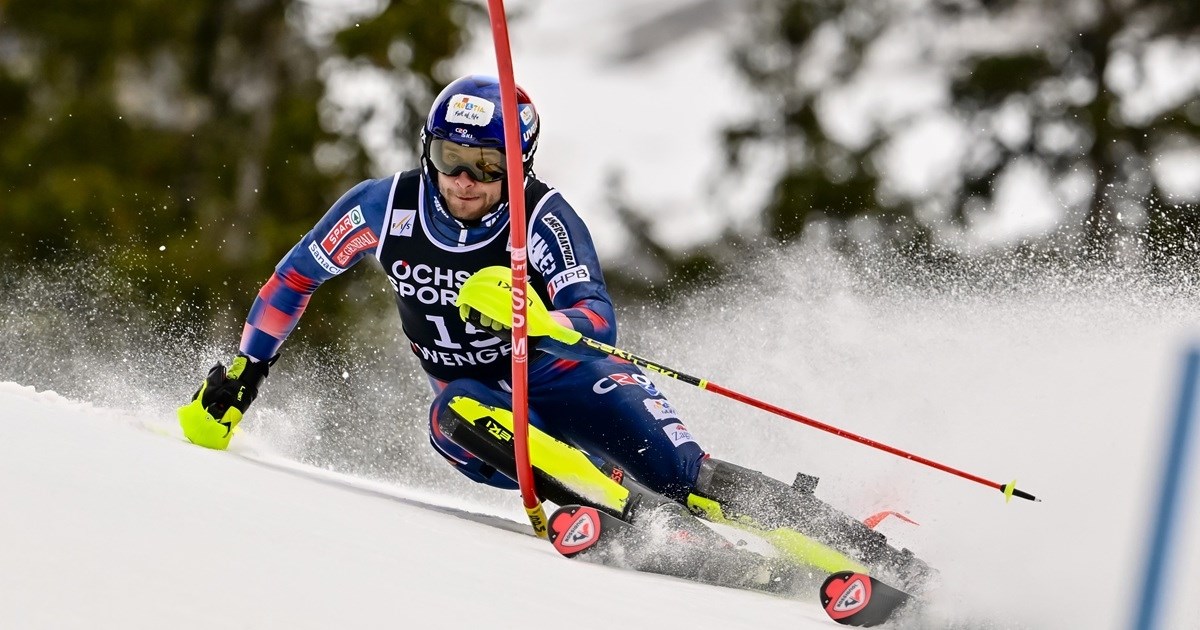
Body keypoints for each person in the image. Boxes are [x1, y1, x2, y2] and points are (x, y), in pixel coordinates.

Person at [177, 75, 924, 585]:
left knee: (686, 473)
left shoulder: (543, 218)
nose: (464, 181)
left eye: (485, 166)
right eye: (449, 160)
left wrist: (537, 312)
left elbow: (596, 315)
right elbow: (292, 280)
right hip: (484, 409)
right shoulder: (385, 208)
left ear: (518, 168)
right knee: (449, 412)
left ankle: (868, 554)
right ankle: (638, 525)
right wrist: (250, 368)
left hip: (569, 376)